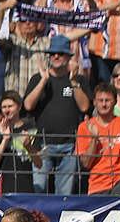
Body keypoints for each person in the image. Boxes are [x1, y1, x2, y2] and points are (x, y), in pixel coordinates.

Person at [24, 35, 90, 196]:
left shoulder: (79, 79)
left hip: (69, 145)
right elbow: (27, 105)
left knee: (64, 195)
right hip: (43, 145)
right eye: (52, 53)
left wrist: (73, 81)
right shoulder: (38, 78)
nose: (56, 56)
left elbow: (85, 107)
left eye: (60, 53)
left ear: (69, 56)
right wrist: (43, 81)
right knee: (39, 191)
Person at [76, 83, 120, 195]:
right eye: (100, 100)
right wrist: (94, 139)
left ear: (114, 102)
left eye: (107, 100)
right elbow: (86, 163)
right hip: (97, 185)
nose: (104, 104)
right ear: (94, 102)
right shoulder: (85, 127)